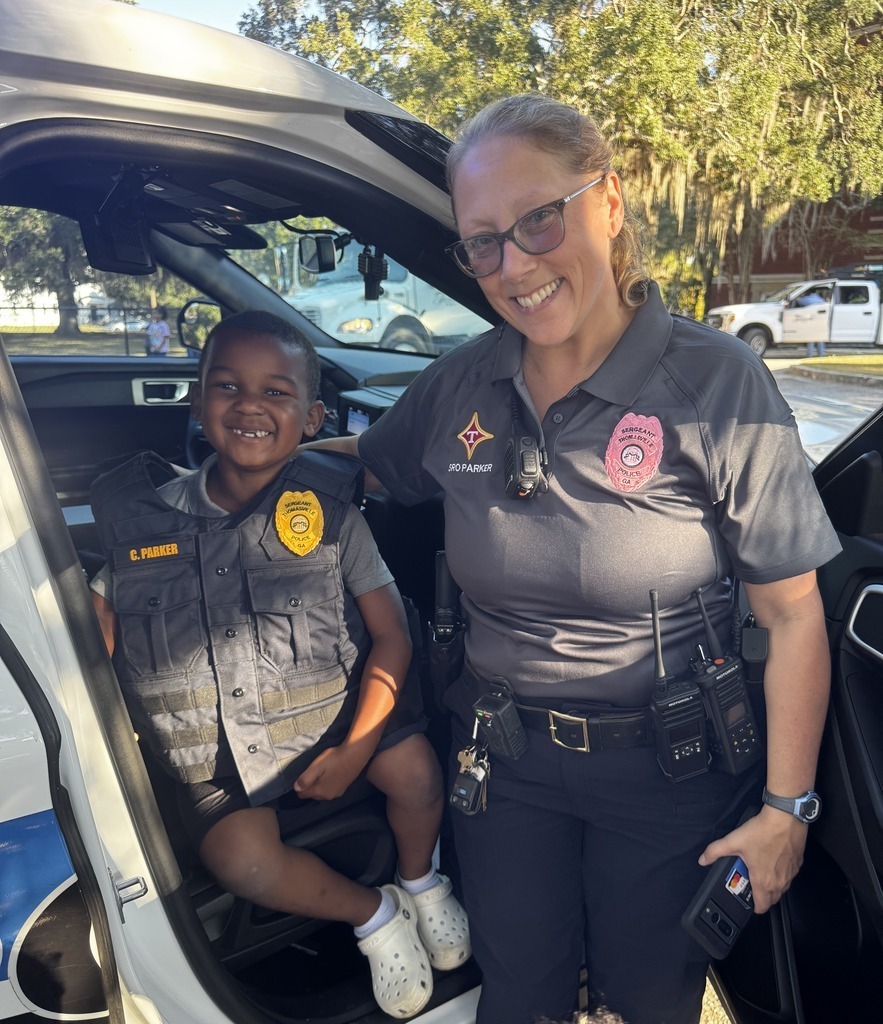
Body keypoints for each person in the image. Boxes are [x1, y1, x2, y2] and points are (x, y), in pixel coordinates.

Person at [300, 95, 841, 1024]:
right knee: (519, 999)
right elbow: (370, 464)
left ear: (610, 201)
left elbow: (792, 614)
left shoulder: (716, 383)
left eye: (538, 219)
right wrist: (236, 474)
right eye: (482, 243)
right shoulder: (459, 385)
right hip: (501, 765)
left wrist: (786, 811)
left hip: (666, 772)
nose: (514, 265)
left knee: (644, 1003)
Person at [89, 310, 470, 1019]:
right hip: (218, 754)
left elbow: (392, 637)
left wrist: (356, 750)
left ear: (312, 416)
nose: (250, 406)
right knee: (243, 862)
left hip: (334, 718)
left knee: (416, 773)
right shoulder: (142, 525)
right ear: (197, 402)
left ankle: (421, 880)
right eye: (228, 386)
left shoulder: (333, 516)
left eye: (275, 391)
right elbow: (97, 635)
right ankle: (375, 915)